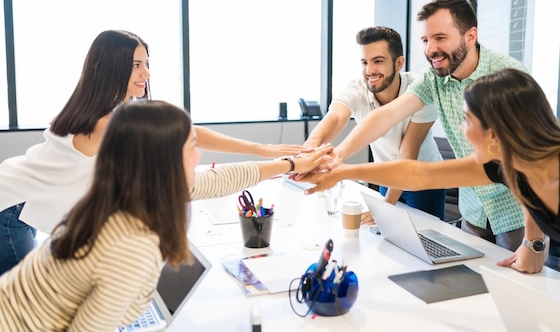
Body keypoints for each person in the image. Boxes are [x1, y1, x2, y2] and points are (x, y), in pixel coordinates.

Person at [303, 68, 560, 312]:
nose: (461, 130)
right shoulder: (514, 165)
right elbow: (418, 174)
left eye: (467, 120)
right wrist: (343, 171)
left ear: (497, 134)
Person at [0, 100, 332, 330]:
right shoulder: (132, 247)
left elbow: (217, 181)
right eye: (191, 146)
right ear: (164, 160)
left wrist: (289, 164)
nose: (199, 155)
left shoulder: (122, 196)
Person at [0, 30, 306, 275]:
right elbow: (185, 153)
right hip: (10, 207)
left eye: (147, 63)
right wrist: (279, 162)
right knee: (23, 307)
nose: (146, 73)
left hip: (19, 195)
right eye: (136, 65)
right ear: (110, 67)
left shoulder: (114, 109)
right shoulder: (106, 122)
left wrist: (260, 149)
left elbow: (185, 130)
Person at [316, 0, 543, 266]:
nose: (431, 49)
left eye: (440, 38)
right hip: (472, 210)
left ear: (470, 36)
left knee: (520, 296)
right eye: (426, 41)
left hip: (517, 215)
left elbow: (534, 166)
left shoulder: (508, 77)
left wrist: (534, 241)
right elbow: (386, 115)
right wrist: (339, 155)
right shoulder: (434, 78)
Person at [302, 26, 445, 220]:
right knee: (386, 238)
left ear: (398, 63)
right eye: (364, 62)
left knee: (421, 241)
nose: (369, 70)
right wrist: (308, 150)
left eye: (378, 61)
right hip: (386, 175)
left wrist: (385, 207)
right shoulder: (358, 89)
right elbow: (335, 118)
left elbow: (407, 153)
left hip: (423, 181)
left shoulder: (421, 89)